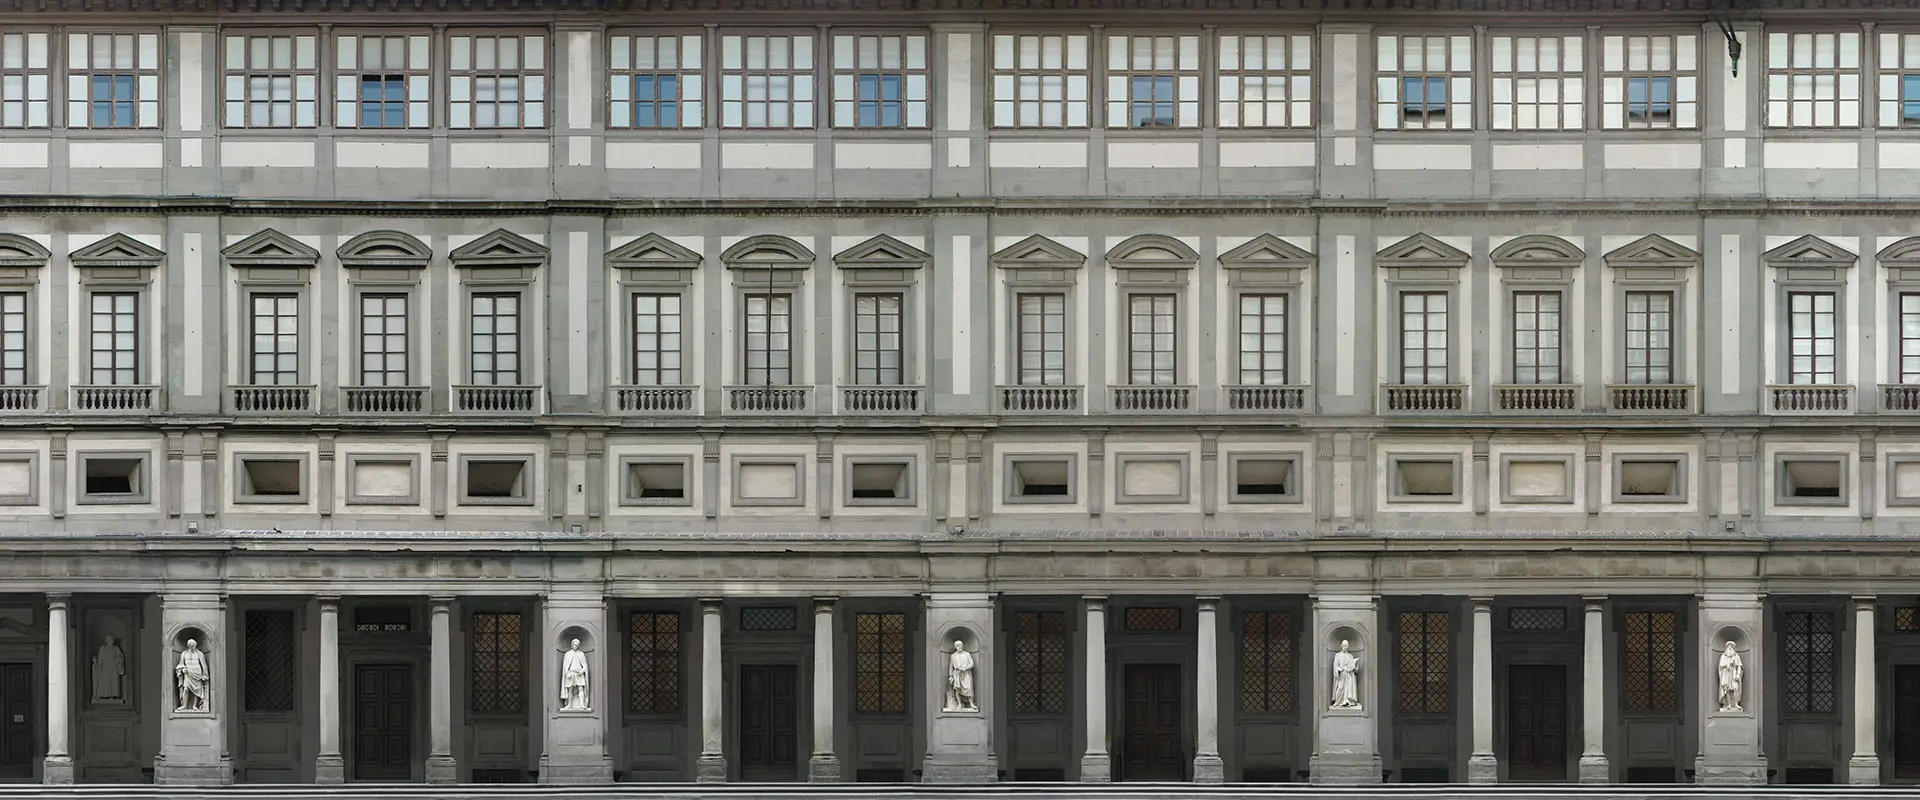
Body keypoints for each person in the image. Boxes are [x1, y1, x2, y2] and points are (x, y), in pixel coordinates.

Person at [175, 639, 209, 712]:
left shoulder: (199, 654)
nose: (193, 647)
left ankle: (194, 706)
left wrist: (205, 675)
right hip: (188, 673)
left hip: (197, 673)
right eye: (191, 646)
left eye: (194, 646)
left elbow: (204, 665)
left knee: (197, 690)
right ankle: (184, 705)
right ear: (188, 646)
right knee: (186, 689)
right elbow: (181, 664)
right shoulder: (184, 654)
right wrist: (183, 669)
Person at [92, 635, 125, 703]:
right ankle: (104, 695)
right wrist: (97, 665)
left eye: (112, 638)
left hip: (113, 667)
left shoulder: (116, 648)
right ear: (107, 640)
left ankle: (113, 695)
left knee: (113, 681)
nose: (111, 640)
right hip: (105, 667)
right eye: (110, 638)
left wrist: (119, 659)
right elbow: (100, 659)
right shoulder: (103, 648)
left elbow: (120, 656)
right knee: (105, 680)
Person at [946, 640, 976, 711]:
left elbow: (972, 663)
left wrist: (965, 668)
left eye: (961, 645)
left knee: (969, 688)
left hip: (966, 673)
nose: (960, 647)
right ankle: (959, 704)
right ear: (955, 647)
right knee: (957, 689)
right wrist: (950, 675)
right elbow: (951, 666)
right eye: (958, 646)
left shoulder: (967, 654)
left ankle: (971, 703)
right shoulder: (953, 655)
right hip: (957, 673)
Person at [561, 639, 590, 711]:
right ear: (572, 645)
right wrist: (567, 673)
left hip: (579, 674)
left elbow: (585, 666)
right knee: (570, 689)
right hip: (571, 673)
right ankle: (569, 704)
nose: (575, 646)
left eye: (577, 645)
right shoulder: (567, 654)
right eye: (574, 645)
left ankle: (582, 704)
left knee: (581, 688)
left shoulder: (581, 654)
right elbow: (565, 666)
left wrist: (582, 671)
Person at [1331, 640, 1361, 709]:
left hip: (1349, 675)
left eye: (1346, 646)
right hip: (1341, 674)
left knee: (1348, 688)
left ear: (1348, 647)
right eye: (1344, 645)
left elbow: (1352, 666)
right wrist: (1339, 669)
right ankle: (1338, 701)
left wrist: (1353, 665)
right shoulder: (1337, 655)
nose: (1345, 647)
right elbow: (1335, 665)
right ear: (1341, 646)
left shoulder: (1350, 656)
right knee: (1340, 687)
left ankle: (1348, 701)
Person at [1717, 641, 1744, 712]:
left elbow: (1739, 666)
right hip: (1726, 674)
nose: (1729, 649)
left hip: (1733, 674)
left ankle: (1735, 704)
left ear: (1733, 649)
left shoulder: (1736, 656)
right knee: (1727, 689)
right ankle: (1728, 704)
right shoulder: (1723, 656)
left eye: (1731, 648)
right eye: (1728, 648)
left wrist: (1738, 674)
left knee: (1735, 689)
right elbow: (1721, 666)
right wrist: (1727, 664)